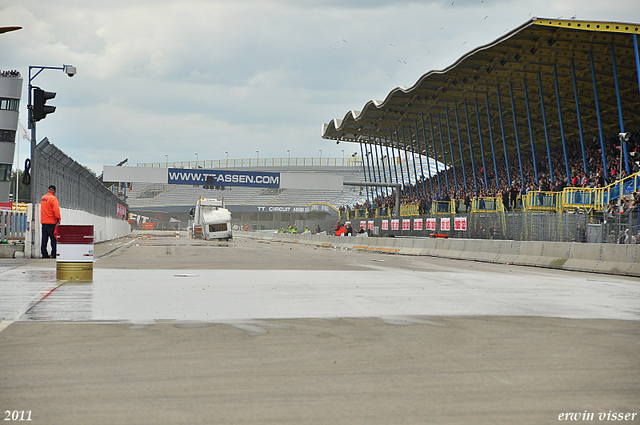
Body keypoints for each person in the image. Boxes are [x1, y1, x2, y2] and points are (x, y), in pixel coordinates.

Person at [41, 185, 61, 258]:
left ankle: (44, 254)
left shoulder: (43, 198)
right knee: (53, 239)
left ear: (48, 190)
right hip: (51, 222)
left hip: (44, 221)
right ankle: (54, 254)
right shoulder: (53, 199)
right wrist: (58, 219)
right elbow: (56, 210)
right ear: (54, 191)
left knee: (44, 239)